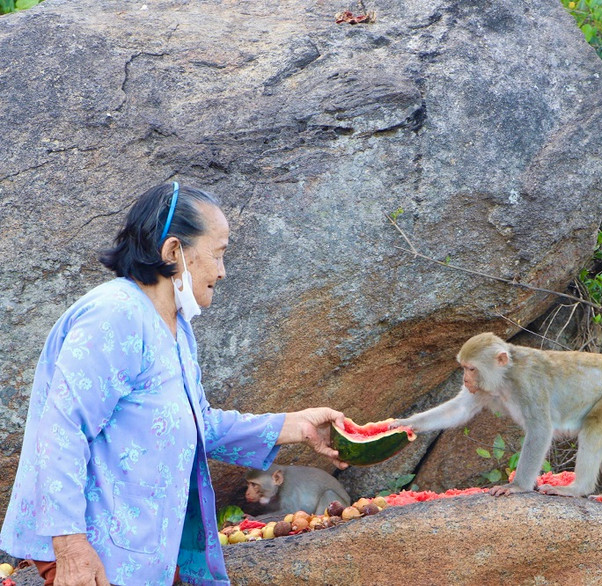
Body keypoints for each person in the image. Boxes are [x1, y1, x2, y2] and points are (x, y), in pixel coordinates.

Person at [0, 182, 349, 585]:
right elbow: (62, 430)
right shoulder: (114, 314)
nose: (222, 270)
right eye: (217, 254)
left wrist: (298, 426)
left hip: (143, 553)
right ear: (172, 252)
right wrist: (71, 546)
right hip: (97, 554)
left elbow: (200, 423)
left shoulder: (178, 330)